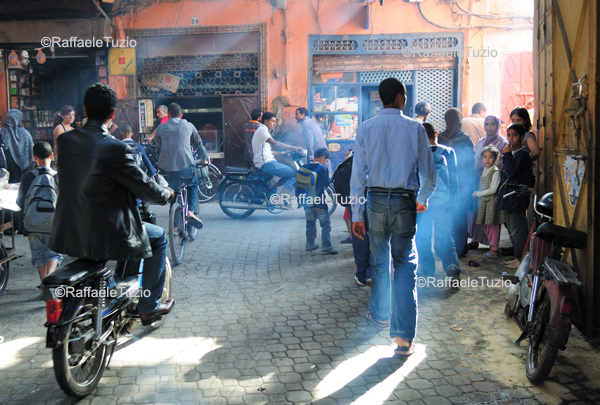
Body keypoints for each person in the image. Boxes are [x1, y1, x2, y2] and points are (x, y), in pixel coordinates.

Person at [49, 83, 175, 325]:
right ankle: (149, 306)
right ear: (113, 114)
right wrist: (165, 195)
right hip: (106, 231)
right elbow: (144, 186)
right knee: (159, 238)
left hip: (68, 228)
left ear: (84, 110)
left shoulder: (65, 142)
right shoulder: (116, 148)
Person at [351, 78, 436, 356]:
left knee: (378, 261)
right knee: (404, 265)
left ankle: (380, 315)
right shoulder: (416, 128)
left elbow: (358, 176)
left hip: (374, 201)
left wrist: (356, 213)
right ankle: (403, 339)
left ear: (380, 99)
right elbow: (429, 174)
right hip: (403, 202)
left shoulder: (365, 128)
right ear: (400, 97)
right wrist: (422, 199)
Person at [415, 123, 461, 282]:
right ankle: (452, 267)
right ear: (435, 133)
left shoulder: (418, 153)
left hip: (423, 203)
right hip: (445, 202)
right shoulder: (448, 152)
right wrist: (456, 202)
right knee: (445, 236)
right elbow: (454, 180)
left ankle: (427, 270)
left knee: (423, 236)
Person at [17, 142, 63, 287]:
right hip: (54, 224)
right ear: (52, 156)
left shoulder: (27, 177)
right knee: (54, 254)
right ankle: (49, 280)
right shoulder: (58, 177)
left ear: (34, 157)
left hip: (33, 224)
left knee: (39, 256)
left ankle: (44, 285)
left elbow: (20, 202)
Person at [155, 103, 206, 228]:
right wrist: (204, 158)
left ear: (169, 115)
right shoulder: (188, 125)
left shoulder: (161, 128)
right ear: (181, 115)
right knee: (193, 184)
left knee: (173, 192)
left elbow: (158, 149)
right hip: (185, 168)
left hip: (166, 170)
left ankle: (175, 221)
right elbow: (198, 144)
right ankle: (190, 212)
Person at [438, 108, 476, 258]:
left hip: (444, 184)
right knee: (459, 217)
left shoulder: (440, 138)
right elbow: (470, 163)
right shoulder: (464, 139)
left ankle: (445, 250)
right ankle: (458, 249)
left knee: (445, 217)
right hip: (460, 184)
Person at [468, 115, 509, 250]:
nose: (489, 127)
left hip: (492, 181)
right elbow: (476, 158)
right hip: (478, 180)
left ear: (497, 126)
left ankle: (493, 246)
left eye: (492, 124)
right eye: (487, 124)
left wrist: (487, 167)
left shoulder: (503, 143)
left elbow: (503, 163)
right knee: (477, 212)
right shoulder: (480, 142)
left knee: (489, 215)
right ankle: (475, 239)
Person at [496, 123, 533, 260]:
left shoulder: (522, 154)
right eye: (509, 135)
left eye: (515, 135)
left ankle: (522, 260)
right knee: (512, 231)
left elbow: (511, 173)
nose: (511, 138)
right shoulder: (514, 153)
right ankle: (521, 258)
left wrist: (506, 155)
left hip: (515, 198)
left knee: (518, 231)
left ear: (522, 137)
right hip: (509, 198)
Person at [252, 112, 303, 208]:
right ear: (266, 121)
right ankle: (278, 199)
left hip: (268, 162)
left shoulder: (264, 130)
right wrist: (294, 147)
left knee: (289, 173)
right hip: (267, 164)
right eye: (273, 121)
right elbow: (276, 144)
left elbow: (268, 151)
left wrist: (283, 153)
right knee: (295, 174)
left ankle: (272, 189)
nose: (275, 124)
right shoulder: (262, 130)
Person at [0, 109, 34, 234]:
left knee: (7, 197)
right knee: (22, 194)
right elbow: (31, 152)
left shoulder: (3, 133)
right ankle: (22, 225)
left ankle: (10, 227)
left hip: (8, 171)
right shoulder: (26, 133)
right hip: (23, 169)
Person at [301, 147, 337, 254]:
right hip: (319, 203)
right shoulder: (322, 169)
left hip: (307, 203)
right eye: (326, 161)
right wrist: (331, 178)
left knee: (310, 223)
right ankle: (326, 246)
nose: (326, 163)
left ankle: (310, 244)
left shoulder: (304, 167)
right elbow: (326, 183)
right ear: (322, 157)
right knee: (325, 225)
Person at [472, 146, 503, 259]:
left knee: (492, 226)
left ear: (496, 158)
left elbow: (493, 190)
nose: (487, 160)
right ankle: (492, 247)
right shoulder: (485, 170)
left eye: (490, 157)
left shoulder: (495, 172)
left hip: (491, 202)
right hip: (484, 202)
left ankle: (494, 249)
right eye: (485, 157)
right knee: (486, 226)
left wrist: (478, 193)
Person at [295, 107, 331, 172]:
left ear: (302, 115)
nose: (295, 117)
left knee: (317, 175)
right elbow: (322, 133)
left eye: (297, 114)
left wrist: (311, 156)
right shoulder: (311, 121)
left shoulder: (305, 124)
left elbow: (309, 141)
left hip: (317, 153)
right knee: (326, 173)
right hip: (323, 150)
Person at [341, 149, 354, 244]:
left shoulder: (351, 166)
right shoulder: (346, 166)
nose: (346, 157)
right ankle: (351, 236)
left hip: (353, 196)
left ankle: (352, 237)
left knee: (348, 217)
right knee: (347, 217)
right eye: (346, 154)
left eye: (348, 155)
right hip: (348, 195)